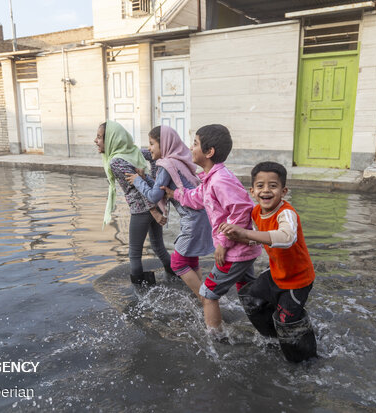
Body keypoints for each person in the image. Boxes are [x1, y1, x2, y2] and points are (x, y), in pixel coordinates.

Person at [161, 124, 262, 333]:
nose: (191, 147)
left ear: (209, 152)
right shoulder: (211, 178)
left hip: (235, 252)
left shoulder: (220, 180)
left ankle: (216, 339)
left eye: (195, 143)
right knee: (249, 294)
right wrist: (174, 194)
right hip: (243, 252)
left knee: (208, 294)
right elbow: (197, 198)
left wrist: (223, 244)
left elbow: (242, 210)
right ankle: (269, 330)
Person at [219, 161, 317, 362]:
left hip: (298, 280)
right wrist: (238, 238)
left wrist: (245, 233)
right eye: (261, 186)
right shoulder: (256, 212)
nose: (266, 190)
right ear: (252, 191)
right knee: (250, 298)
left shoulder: (286, 213)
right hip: (276, 273)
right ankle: (273, 338)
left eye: (273, 186)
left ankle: (306, 359)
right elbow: (258, 235)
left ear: (284, 191)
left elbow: (286, 237)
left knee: (288, 323)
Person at [125, 125, 214, 300]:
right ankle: (200, 295)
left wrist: (137, 181)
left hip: (193, 220)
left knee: (178, 262)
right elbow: (161, 185)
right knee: (190, 258)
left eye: (152, 144)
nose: (149, 148)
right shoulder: (177, 160)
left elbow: (153, 195)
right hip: (202, 216)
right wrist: (146, 178)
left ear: (164, 143)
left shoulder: (166, 164)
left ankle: (206, 299)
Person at [95, 120, 173, 286]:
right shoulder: (133, 152)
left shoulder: (116, 161)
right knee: (158, 247)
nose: (96, 141)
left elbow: (135, 188)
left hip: (142, 209)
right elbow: (154, 157)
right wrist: (155, 178)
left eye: (100, 137)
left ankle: (141, 292)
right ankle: (176, 277)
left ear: (111, 139)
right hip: (153, 205)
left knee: (134, 254)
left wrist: (154, 212)